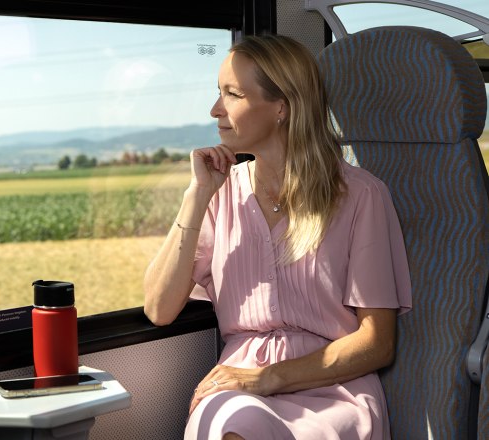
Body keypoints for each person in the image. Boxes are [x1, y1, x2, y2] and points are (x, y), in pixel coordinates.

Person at [143, 34, 412, 440]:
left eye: (232, 94)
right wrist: (197, 196)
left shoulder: (361, 196)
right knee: (233, 421)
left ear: (281, 107)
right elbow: (158, 309)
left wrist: (266, 379)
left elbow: (377, 343)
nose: (215, 110)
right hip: (237, 386)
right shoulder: (221, 194)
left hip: (333, 388)